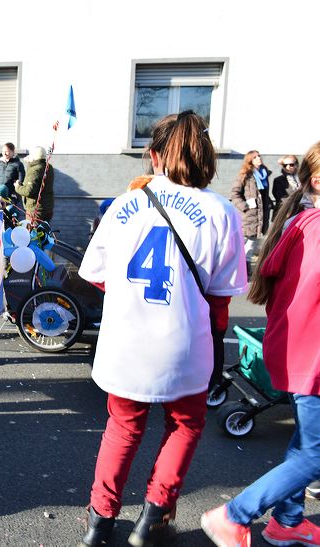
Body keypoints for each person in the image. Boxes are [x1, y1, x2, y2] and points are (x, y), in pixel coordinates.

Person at [77, 111, 246, 547]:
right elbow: (222, 296)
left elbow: (95, 273)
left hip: (126, 339)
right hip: (185, 342)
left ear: (154, 156)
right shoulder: (221, 212)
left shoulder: (124, 203)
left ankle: (100, 522)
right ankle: (152, 520)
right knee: (186, 425)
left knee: (122, 427)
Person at [201, 140, 320, 547]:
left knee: (307, 444)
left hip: (298, 350)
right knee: (314, 455)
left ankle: (287, 520)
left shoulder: (301, 223)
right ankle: (234, 514)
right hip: (313, 355)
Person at [230, 151, 266, 273]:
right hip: (248, 217)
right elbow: (234, 194)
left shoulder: (263, 175)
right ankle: (241, 271)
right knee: (245, 244)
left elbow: (264, 197)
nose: (259, 158)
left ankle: (244, 271)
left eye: (259, 156)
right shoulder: (244, 175)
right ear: (249, 160)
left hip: (259, 217)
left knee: (252, 244)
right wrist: (245, 207)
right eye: (255, 157)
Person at [15, 146, 54, 223]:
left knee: (33, 234)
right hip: (48, 208)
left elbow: (28, 191)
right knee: (43, 233)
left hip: (35, 210)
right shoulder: (49, 167)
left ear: (33, 156)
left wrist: (17, 186)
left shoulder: (34, 170)